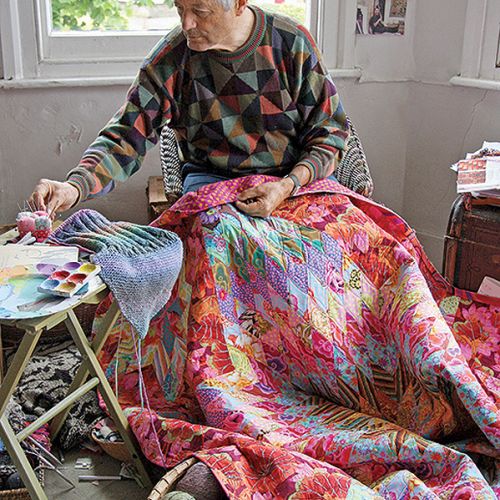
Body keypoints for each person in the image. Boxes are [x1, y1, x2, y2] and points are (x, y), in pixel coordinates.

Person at [30, 0, 348, 219]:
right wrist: (74, 186)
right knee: (224, 262)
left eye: (199, 10)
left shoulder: (292, 42)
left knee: (347, 252)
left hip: (292, 183)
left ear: (239, 3)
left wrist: (287, 185)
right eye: (179, 8)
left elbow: (330, 135)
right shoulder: (170, 60)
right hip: (214, 184)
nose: (186, 24)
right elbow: (126, 136)